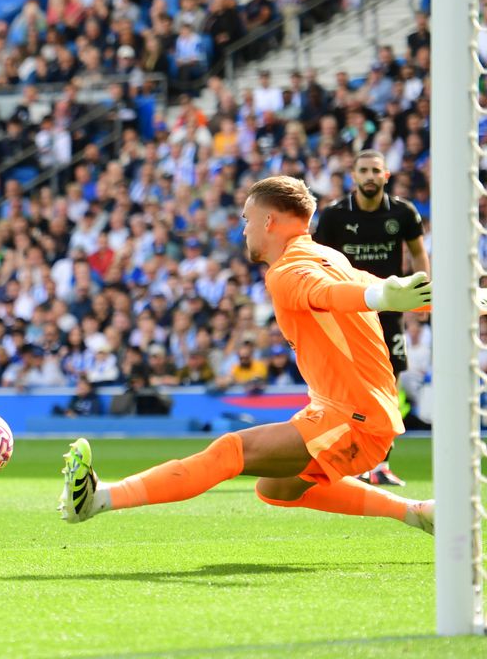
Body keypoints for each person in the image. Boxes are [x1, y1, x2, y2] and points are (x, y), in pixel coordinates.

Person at [59, 176, 435, 536]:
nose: (243, 230)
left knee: (230, 451)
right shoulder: (328, 256)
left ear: (268, 220)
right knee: (276, 488)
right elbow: (361, 287)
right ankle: (416, 513)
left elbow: (326, 294)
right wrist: (402, 295)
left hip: (355, 418)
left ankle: (98, 499)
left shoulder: (289, 271)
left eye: (246, 219)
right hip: (349, 411)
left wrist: (384, 297)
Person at [313, 149, 428, 486]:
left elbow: (419, 254)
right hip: (348, 311)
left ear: (386, 175)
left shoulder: (403, 212)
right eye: (363, 170)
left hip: (389, 311)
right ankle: (345, 458)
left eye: (376, 170)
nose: (369, 176)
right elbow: (319, 262)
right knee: (347, 386)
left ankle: (380, 463)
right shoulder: (335, 216)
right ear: (354, 175)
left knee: (390, 384)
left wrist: (423, 298)